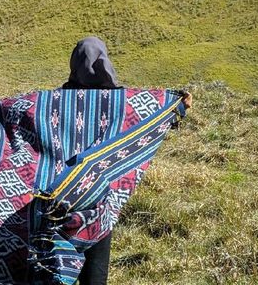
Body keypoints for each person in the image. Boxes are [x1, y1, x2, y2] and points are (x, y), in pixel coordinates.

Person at [62, 36, 192, 285]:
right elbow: (149, 121)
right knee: (95, 279)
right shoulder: (121, 103)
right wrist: (178, 107)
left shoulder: (57, 101)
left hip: (62, 204)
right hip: (101, 204)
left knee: (55, 274)